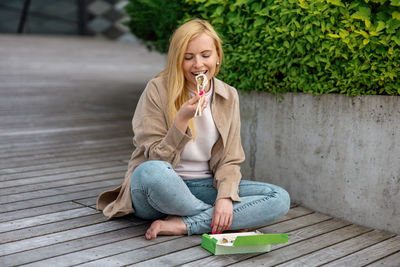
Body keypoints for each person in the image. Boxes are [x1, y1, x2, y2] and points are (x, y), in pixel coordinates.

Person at [97, 19, 290, 240]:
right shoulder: (157, 89)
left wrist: (225, 198)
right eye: (188, 57)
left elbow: (230, 159)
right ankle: (222, 221)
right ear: (177, 60)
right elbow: (155, 158)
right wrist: (180, 121)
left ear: (217, 57)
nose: (198, 64)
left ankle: (184, 224)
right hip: (157, 189)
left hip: (204, 186)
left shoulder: (229, 95)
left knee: (279, 197)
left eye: (205, 55)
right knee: (150, 171)